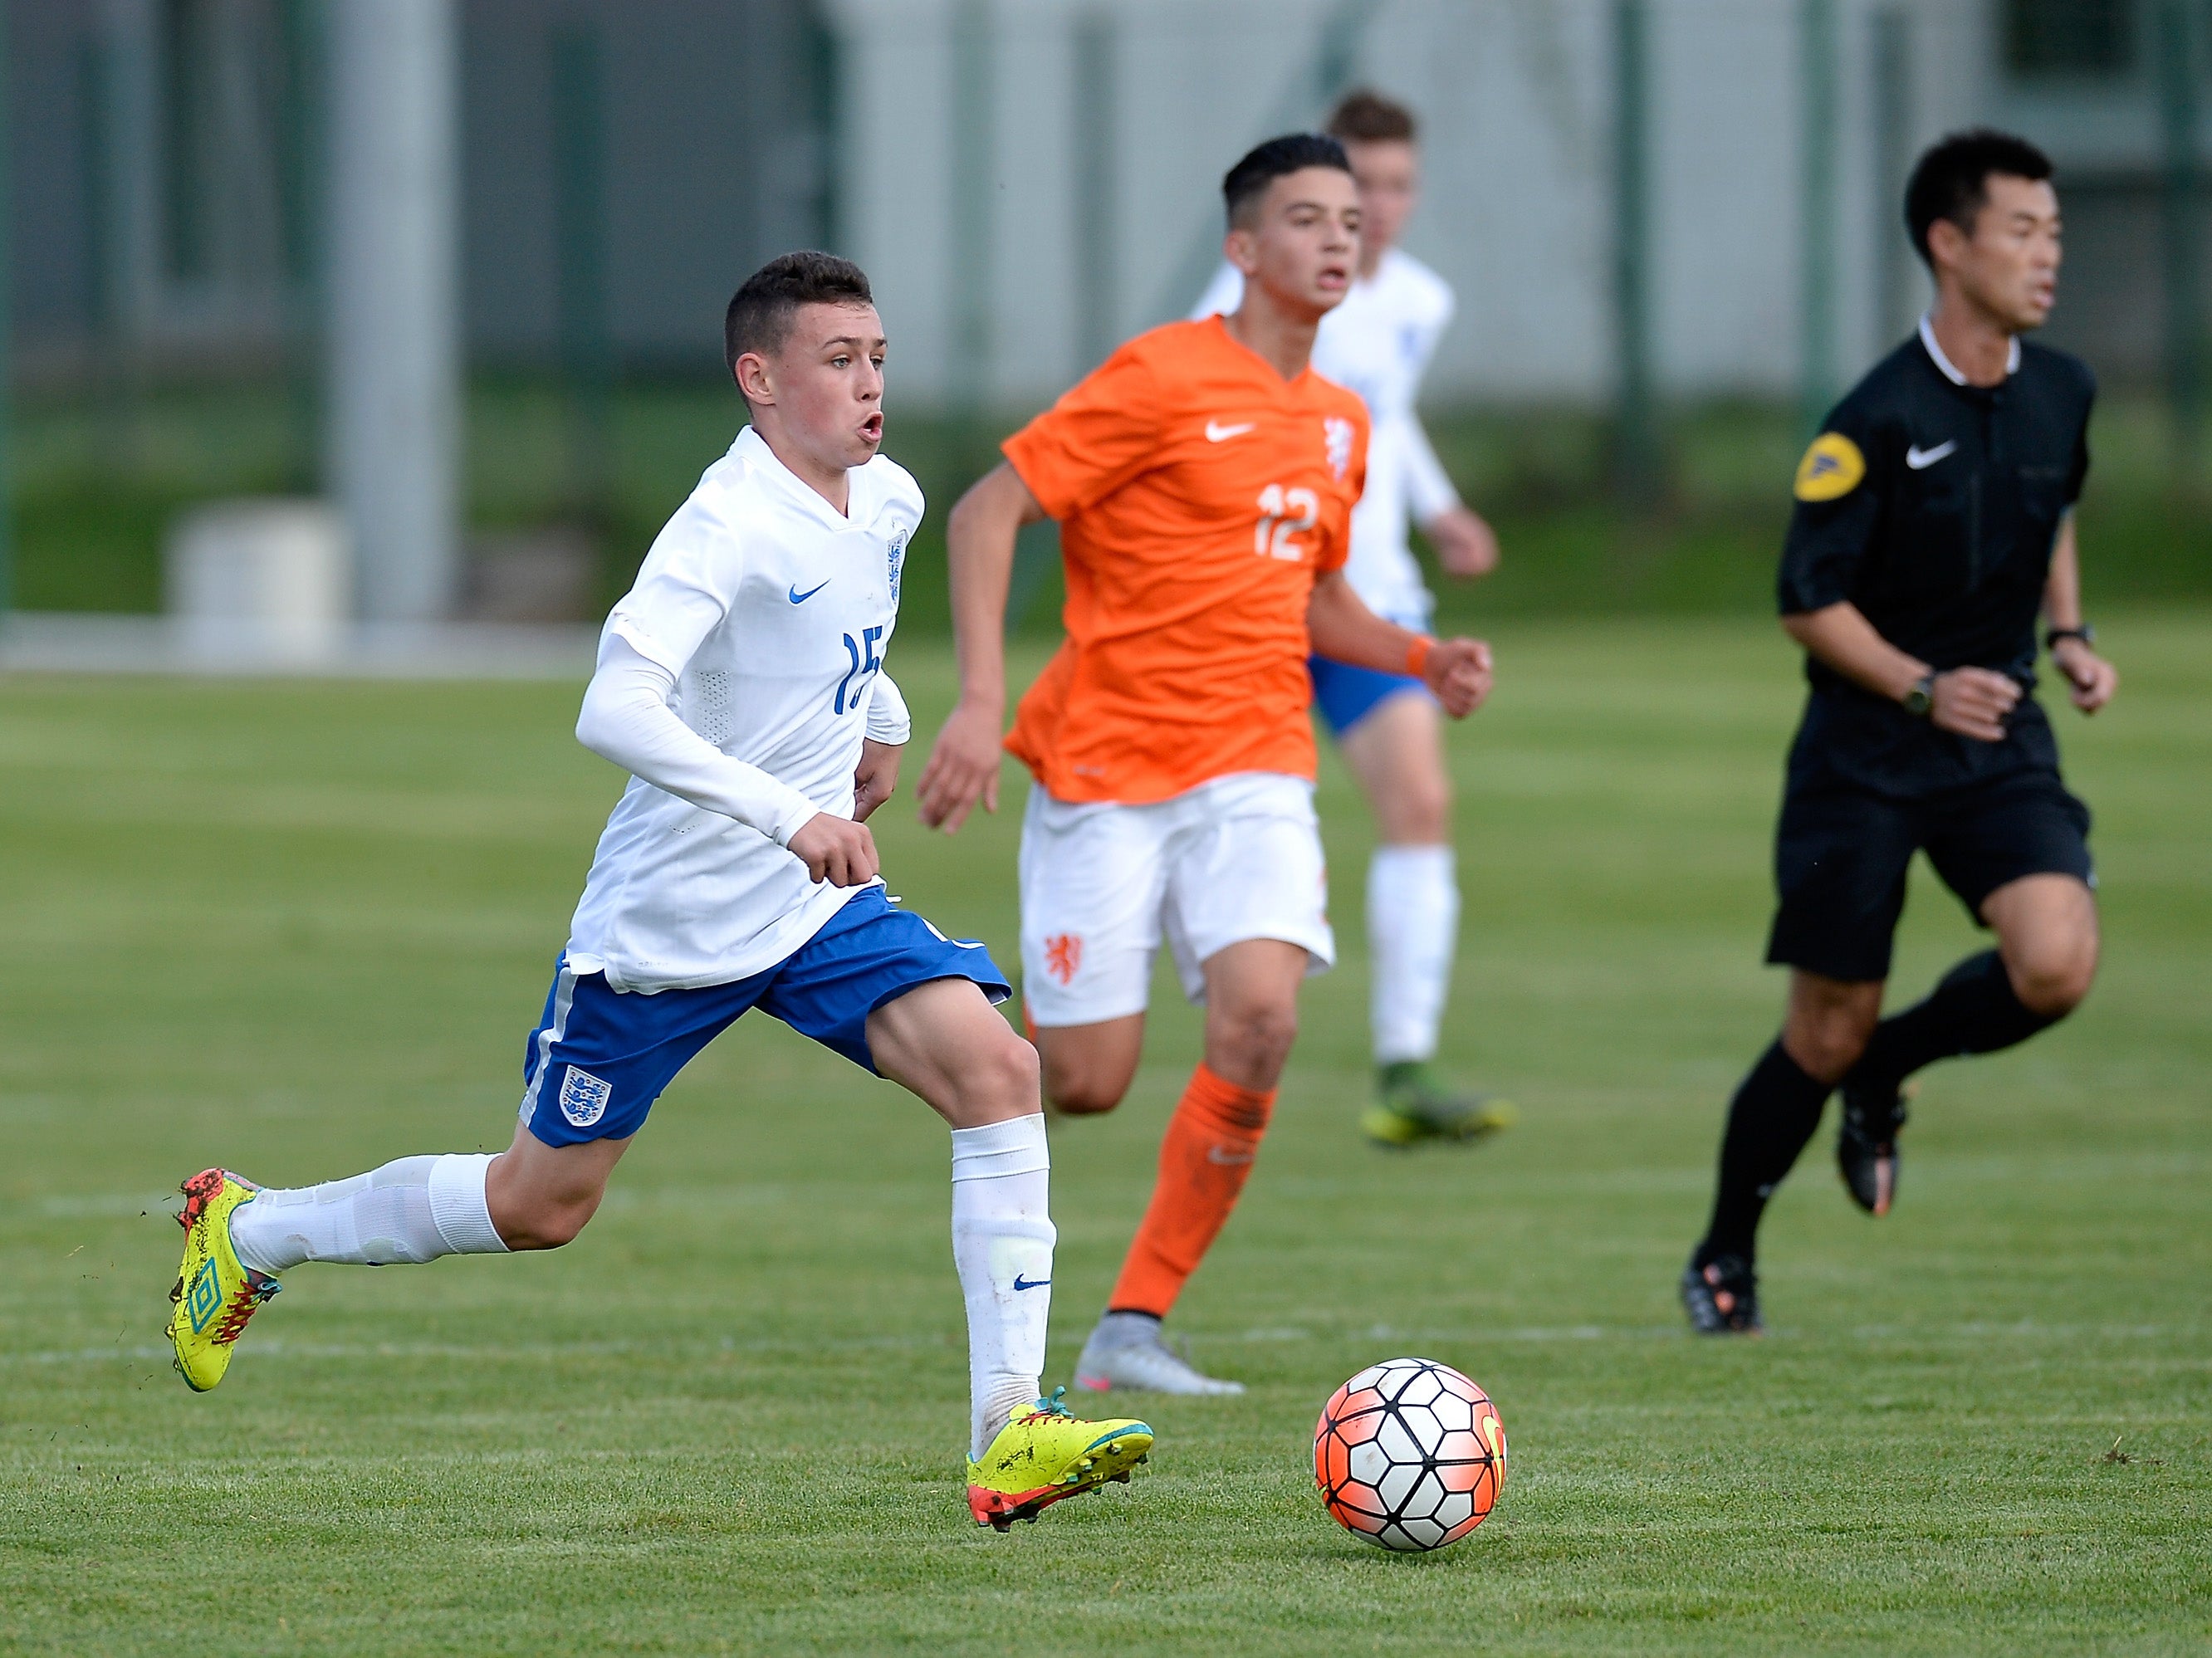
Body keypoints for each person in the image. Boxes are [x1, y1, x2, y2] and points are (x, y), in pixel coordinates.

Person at [164, 252, 1153, 1531]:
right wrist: (786, 811)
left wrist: (889, 721)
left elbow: (853, 631)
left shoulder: (888, 498)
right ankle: (255, 1234)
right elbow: (613, 707)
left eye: (880, 360)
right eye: (839, 362)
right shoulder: (724, 526)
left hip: (811, 913)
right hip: (667, 927)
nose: (870, 387)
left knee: (997, 1071)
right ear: (760, 380)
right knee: (539, 1205)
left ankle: (1010, 1427)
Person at [915, 136, 1495, 1396]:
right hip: (1106, 773)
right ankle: (940, 1001)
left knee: (1264, 1018)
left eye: (1352, 219)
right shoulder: (1161, 376)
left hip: (1255, 766)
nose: (1341, 239)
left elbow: (1312, 595)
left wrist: (1414, 653)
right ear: (1244, 248)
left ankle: (1133, 1323)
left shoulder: (1342, 424)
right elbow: (985, 513)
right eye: (1307, 218)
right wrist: (976, 700)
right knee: (1086, 1083)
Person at [1681, 131, 2119, 1334]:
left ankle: (1892, 1070)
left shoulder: (2064, 388)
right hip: (1864, 758)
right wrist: (1922, 685)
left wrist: (2069, 634)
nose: (2048, 255)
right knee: (1824, 1027)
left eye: (2055, 233)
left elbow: (2054, 509)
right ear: (1948, 241)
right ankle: (1726, 1252)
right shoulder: (1871, 418)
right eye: (2023, 231)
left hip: (1995, 742)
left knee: (2057, 961)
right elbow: (1804, 601)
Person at [1192, 90, 1511, 1149]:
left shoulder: (1420, 299)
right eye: (1358, 186)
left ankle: (1405, 1065)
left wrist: (1440, 505)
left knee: (1421, 801)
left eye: (1396, 185)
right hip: (1255, 606)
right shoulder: (1242, 299)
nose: (1377, 208)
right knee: (1210, 824)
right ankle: (1133, 1010)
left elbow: (1388, 411)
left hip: (1371, 604)